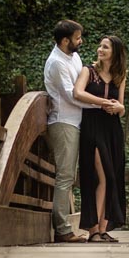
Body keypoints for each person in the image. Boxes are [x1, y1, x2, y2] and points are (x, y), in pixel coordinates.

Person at [73, 35, 127, 242]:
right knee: (102, 177)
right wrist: (103, 102)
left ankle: (102, 230)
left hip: (113, 129)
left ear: (115, 52)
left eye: (105, 47)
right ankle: (93, 230)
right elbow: (77, 92)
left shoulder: (120, 76)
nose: (100, 49)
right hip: (92, 126)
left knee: (112, 177)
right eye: (100, 46)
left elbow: (121, 108)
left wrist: (119, 108)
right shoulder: (88, 70)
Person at [43, 20, 92, 243]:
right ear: (65, 40)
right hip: (63, 123)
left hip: (76, 122)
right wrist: (101, 104)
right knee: (65, 176)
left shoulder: (74, 57)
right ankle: (62, 230)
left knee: (70, 175)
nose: (80, 41)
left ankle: (65, 227)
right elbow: (72, 95)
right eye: (77, 38)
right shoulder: (56, 63)